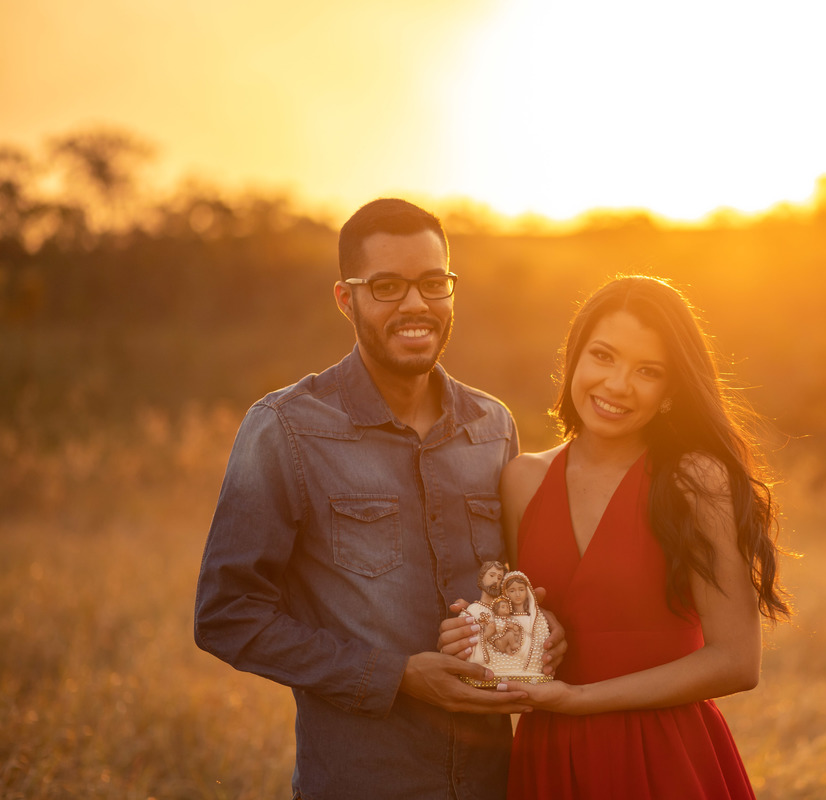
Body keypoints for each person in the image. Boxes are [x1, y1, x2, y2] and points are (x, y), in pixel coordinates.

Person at [194, 198, 562, 800]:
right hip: (359, 782)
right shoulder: (286, 428)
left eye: (432, 283)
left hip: (493, 781)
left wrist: (544, 628)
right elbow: (227, 615)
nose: (415, 304)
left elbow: (509, 587)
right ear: (347, 299)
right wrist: (397, 676)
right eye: (387, 286)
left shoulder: (492, 426)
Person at [442, 274, 789, 798]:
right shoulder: (522, 480)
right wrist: (474, 639)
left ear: (671, 391)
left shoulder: (696, 481)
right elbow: (529, 629)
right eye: (603, 356)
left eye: (648, 371)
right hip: (550, 758)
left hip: (665, 756)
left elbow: (737, 662)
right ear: (575, 358)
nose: (617, 385)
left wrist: (579, 701)